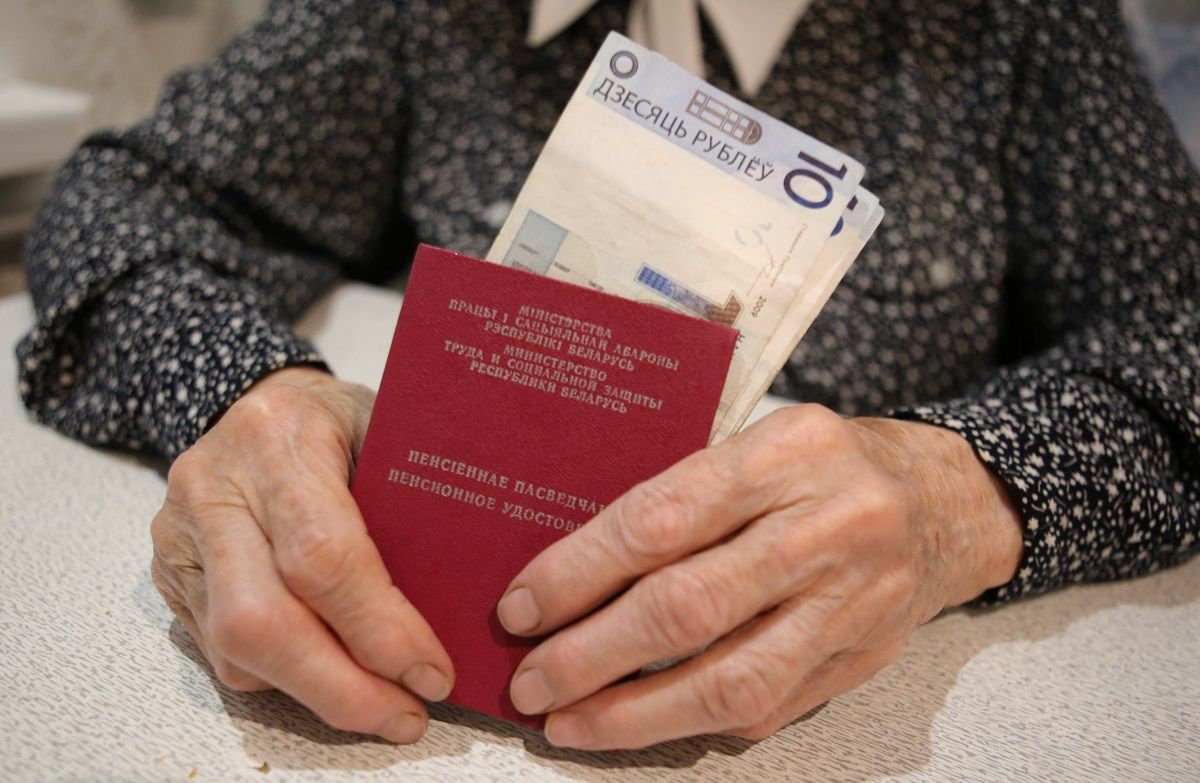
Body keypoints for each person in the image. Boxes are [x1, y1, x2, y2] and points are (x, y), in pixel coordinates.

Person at [16, 0, 1199, 751]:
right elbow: (127, 197)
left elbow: (1179, 328)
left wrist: (953, 498)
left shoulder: (1016, 25)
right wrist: (248, 392)